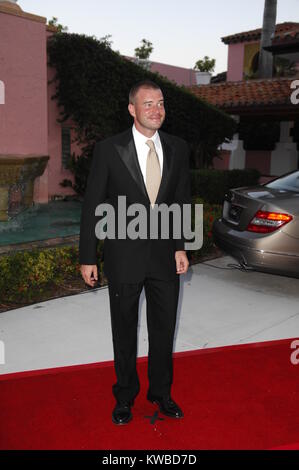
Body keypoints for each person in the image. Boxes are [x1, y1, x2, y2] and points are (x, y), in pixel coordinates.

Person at [79, 80, 191, 425]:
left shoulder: (178, 148)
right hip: (123, 257)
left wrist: (181, 246)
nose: (156, 110)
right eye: (148, 104)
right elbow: (93, 205)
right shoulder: (110, 149)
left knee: (163, 329)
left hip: (163, 258)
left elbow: (182, 199)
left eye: (160, 103)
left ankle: (161, 393)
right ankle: (124, 396)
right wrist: (87, 256)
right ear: (132, 109)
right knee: (124, 329)